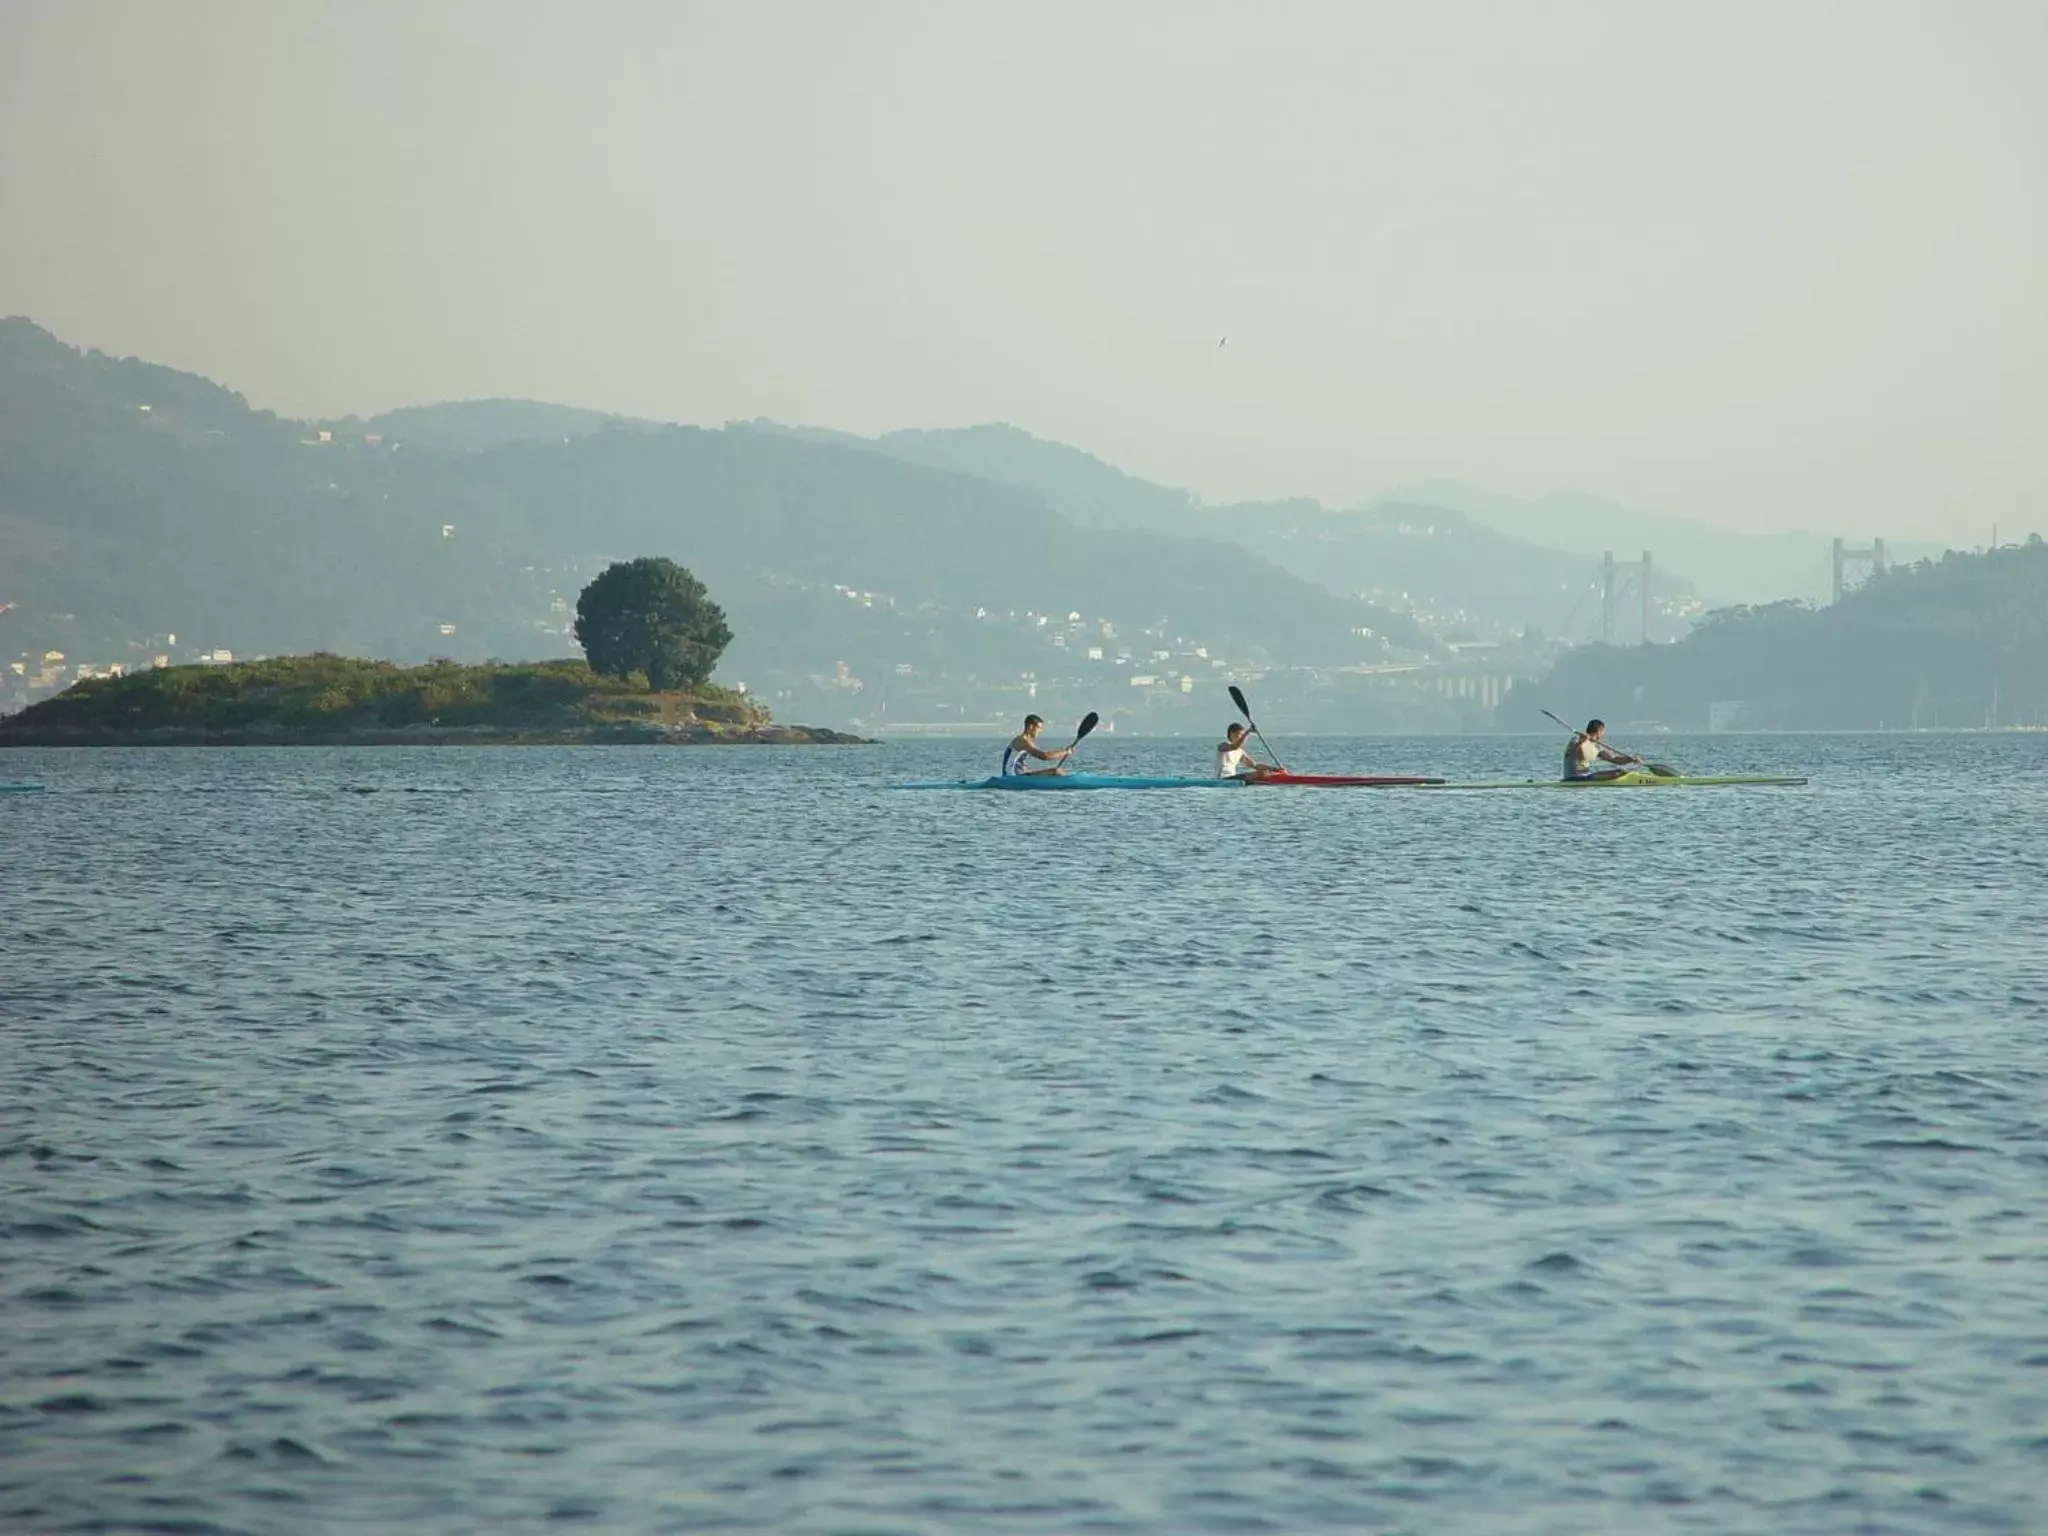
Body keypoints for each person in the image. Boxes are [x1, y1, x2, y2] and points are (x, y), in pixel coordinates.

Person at [1563, 719, 1641, 781]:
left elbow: (1615, 760)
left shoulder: (1597, 746)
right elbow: (1581, 757)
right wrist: (1581, 742)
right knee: (1618, 773)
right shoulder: (1576, 740)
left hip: (1586, 775)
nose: (1603, 734)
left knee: (1621, 772)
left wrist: (1631, 759)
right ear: (1599, 731)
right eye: (1603, 731)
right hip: (1575, 777)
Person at [1001, 715, 1072, 777]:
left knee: (1051, 771)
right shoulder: (1022, 741)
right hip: (1012, 776)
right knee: (1056, 771)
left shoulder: (1027, 741)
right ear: (1031, 727)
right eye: (1039, 728)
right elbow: (1045, 756)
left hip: (1019, 774)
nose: (1040, 731)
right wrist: (1066, 752)